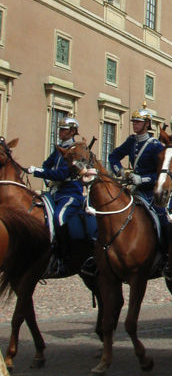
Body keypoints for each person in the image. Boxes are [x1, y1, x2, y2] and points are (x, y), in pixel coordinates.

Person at [27, 116, 97, 277]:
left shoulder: (75, 150)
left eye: (64, 129)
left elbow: (61, 173)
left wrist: (37, 172)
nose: (60, 132)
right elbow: (47, 165)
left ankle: (64, 256)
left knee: (59, 217)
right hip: (56, 191)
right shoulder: (60, 148)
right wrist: (47, 178)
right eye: (60, 129)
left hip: (71, 192)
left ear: (72, 131)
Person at [108, 104, 168, 270]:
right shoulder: (131, 141)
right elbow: (113, 156)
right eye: (134, 121)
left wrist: (141, 179)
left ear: (147, 124)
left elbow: (160, 174)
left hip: (149, 192)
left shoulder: (156, 146)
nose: (134, 124)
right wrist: (120, 171)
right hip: (132, 189)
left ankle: (166, 255)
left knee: (163, 219)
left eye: (138, 122)